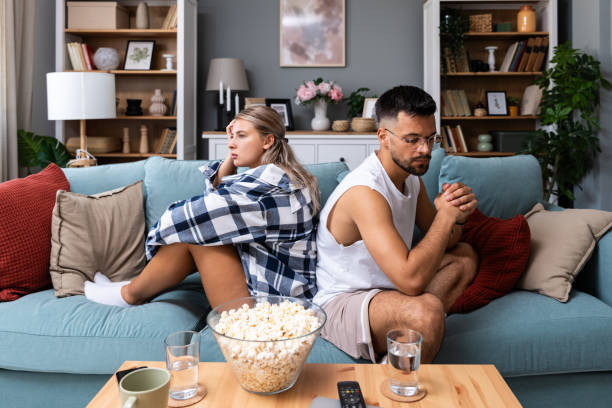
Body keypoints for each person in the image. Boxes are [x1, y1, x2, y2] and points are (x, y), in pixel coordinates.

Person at [85, 105, 320, 308]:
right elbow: (221, 198)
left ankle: (129, 294)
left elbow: (193, 215)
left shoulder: (267, 185)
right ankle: (130, 290)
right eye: (231, 136)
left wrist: (156, 237)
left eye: (241, 136)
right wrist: (234, 152)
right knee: (202, 231)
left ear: (268, 141)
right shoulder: (283, 177)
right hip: (280, 293)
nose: (231, 144)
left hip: (271, 307)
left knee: (197, 234)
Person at [313, 85, 478, 363]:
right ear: (383, 137)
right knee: (426, 312)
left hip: (390, 289)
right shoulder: (365, 192)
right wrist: (446, 216)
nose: (424, 150)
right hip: (345, 302)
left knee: (465, 258)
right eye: (412, 139)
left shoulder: (410, 177)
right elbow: (411, 281)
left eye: (430, 138)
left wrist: (457, 211)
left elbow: (448, 240)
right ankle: (397, 377)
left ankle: (407, 338)